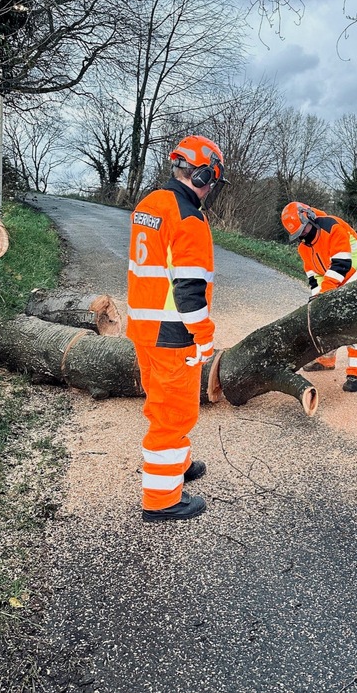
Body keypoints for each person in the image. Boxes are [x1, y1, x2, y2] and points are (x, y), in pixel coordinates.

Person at [126, 135, 225, 522]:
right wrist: (203, 335)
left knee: (159, 403)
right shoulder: (189, 218)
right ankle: (162, 499)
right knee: (173, 415)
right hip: (172, 333)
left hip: (144, 327)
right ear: (204, 175)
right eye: (212, 179)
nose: (212, 187)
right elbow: (189, 289)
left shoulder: (150, 204)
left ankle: (178, 466)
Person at [281, 201, 357, 393]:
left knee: (356, 324)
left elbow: (342, 263)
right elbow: (314, 276)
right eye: (299, 234)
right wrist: (318, 298)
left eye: (304, 230)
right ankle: (326, 359)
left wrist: (326, 292)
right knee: (325, 318)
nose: (303, 235)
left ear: (308, 216)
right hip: (337, 277)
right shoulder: (303, 247)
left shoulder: (332, 226)